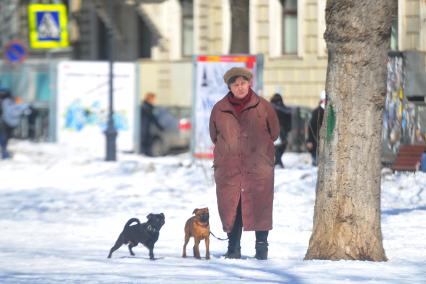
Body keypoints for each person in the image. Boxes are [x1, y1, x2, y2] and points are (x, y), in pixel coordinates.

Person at [209, 67, 280, 260]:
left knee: (260, 205)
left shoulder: (264, 106)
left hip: (258, 165)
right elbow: (214, 135)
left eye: (243, 83)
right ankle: (233, 247)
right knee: (232, 205)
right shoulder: (219, 109)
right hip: (229, 167)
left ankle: (261, 247)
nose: (240, 87)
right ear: (229, 87)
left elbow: (274, 132)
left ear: (249, 83)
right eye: (235, 84)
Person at [0, 89, 28, 159]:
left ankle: (4, 153)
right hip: (5, 123)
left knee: (4, 138)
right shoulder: (9, 101)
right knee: (4, 138)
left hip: (5, 122)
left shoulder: (9, 101)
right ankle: (4, 153)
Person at [270, 93, 292, 168]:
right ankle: (278, 162)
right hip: (282, 131)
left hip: (274, 131)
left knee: (276, 147)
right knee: (281, 146)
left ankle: (278, 162)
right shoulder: (283, 108)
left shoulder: (269, 107)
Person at [306, 90, 326, 166]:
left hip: (324, 142)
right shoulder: (316, 112)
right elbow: (311, 127)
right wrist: (309, 140)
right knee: (317, 163)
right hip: (316, 141)